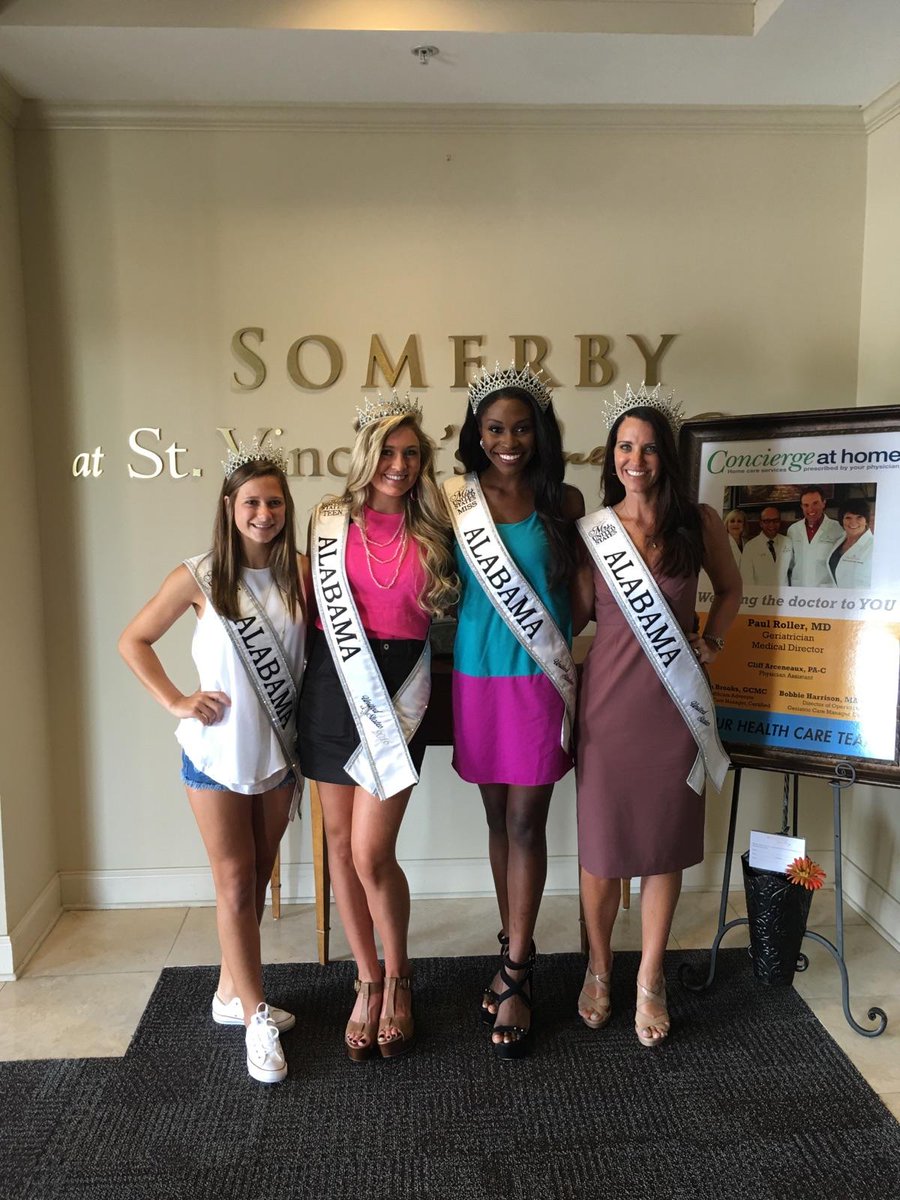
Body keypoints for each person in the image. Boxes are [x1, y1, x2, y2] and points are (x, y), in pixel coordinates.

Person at [119, 445, 308, 1084]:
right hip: (216, 755)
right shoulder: (199, 576)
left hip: (277, 753)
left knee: (257, 876)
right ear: (230, 507)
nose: (264, 513)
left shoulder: (301, 574)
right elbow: (133, 639)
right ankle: (254, 1018)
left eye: (274, 502)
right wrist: (176, 699)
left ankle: (231, 992)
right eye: (252, 502)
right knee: (233, 882)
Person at [573, 383, 741, 1048]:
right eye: (624, 447)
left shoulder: (698, 522)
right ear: (610, 455)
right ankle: (597, 968)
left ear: (665, 456)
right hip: (607, 706)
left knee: (663, 844)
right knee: (601, 848)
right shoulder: (592, 532)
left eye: (646, 448)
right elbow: (575, 615)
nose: (634, 459)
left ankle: (648, 976)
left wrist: (713, 641)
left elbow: (730, 589)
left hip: (674, 706)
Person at [298, 396, 456, 1062]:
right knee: (340, 846)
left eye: (411, 453)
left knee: (370, 852)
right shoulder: (329, 521)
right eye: (388, 451)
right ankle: (367, 980)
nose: (399, 464)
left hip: (399, 688)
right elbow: (305, 605)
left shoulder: (437, 526)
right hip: (333, 685)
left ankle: (400, 975)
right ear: (368, 454)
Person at [445, 362, 584, 1059]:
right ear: (477, 433)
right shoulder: (454, 500)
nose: (508, 441)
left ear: (540, 432)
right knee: (497, 817)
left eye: (522, 429)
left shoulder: (565, 499)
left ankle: (519, 970)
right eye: (496, 429)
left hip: (537, 677)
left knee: (528, 820)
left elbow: (585, 594)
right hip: (476, 674)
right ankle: (511, 943)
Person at [786, 486, 843, 586]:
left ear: (823, 503)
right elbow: (789, 562)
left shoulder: (838, 529)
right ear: (801, 507)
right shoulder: (793, 530)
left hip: (825, 588)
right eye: (806, 505)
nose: (810, 509)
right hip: (799, 587)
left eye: (815, 503)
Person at [828, 497, 874, 588]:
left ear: (866, 520)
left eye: (859, 517)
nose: (853, 522)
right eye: (848, 517)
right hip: (836, 595)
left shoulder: (874, 547)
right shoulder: (839, 540)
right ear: (842, 520)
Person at [740, 506, 791, 587]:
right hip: (760, 594)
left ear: (780, 522)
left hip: (785, 593)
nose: (772, 524)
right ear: (761, 523)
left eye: (775, 520)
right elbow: (746, 579)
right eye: (767, 521)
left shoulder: (788, 542)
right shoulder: (750, 547)